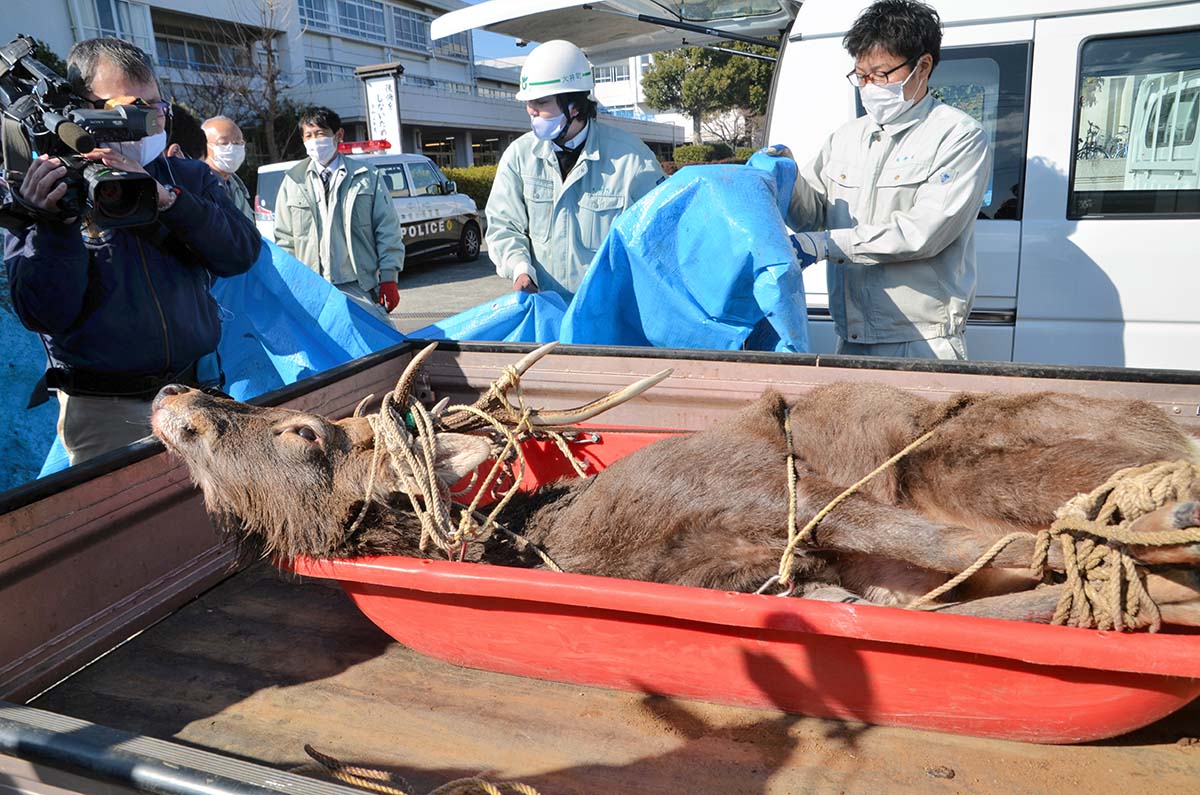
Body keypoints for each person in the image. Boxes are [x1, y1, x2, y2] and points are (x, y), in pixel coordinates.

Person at [3, 37, 260, 466]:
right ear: (77, 107)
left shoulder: (187, 176)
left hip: (199, 394)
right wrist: (56, 224)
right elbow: (43, 314)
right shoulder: (43, 188)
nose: (147, 121)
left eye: (155, 106)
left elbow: (239, 255)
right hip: (106, 412)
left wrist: (169, 201)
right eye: (124, 108)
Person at [768, 0, 991, 360]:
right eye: (861, 75)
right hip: (851, 338)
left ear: (923, 66)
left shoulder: (958, 136)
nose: (869, 86)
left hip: (920, 341)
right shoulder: (847, 137)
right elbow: (809, 213)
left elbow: (923, 232)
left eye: (881, 74)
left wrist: (826, 245)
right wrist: (783, 175)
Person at [486, 39, 666, 301]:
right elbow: (503, 225)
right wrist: (520, 268)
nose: (530, 109)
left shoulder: (632, 160)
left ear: (575, 105)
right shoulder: (519, 156)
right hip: (546, 310)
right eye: (528, 102)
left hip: (607, 316)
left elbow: (658, 242)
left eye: (541, 102)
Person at [273, 106, 405, 326]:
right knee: (328, 354)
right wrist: (292, 282)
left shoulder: (367, 176)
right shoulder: (293, 181)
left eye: (321, 134)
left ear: (338, 135)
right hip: (312, 287)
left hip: (360, 285)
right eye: (308, 135)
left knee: (379, 348)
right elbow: (285, 240)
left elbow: (387, 228)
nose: (314, 141)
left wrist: (389, 278)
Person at [201, 115, 253, 220]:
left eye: (238, 143)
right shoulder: (197, 187)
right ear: (204, 146)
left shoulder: (237, 188)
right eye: (223, 143)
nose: (232, 148)